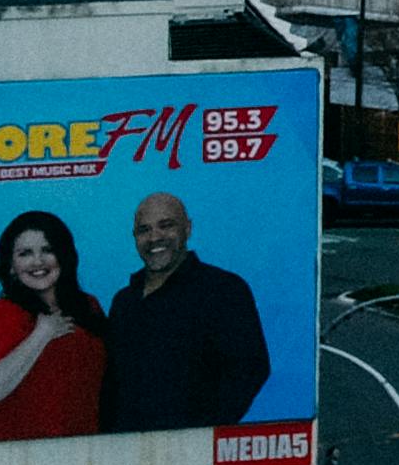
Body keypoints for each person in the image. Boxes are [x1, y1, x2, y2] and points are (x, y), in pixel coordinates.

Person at [96, 186, 275, 435]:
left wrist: (199, 434)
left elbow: (250, 369)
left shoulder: (223, 290)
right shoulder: (124, 301)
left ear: (187, 229)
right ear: (134, 237)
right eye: (144, 230)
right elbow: (111, 382)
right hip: (126, 453)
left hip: (191, 454)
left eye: (166, 225)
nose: (155, 237)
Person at [0, 211, 106, 442]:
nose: (38, 261)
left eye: (47, 250)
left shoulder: (89, 307)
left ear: (64, 256)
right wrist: (42, 333)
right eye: (25, 253)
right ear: (10, 265)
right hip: (9, 459)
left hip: (78, 454)